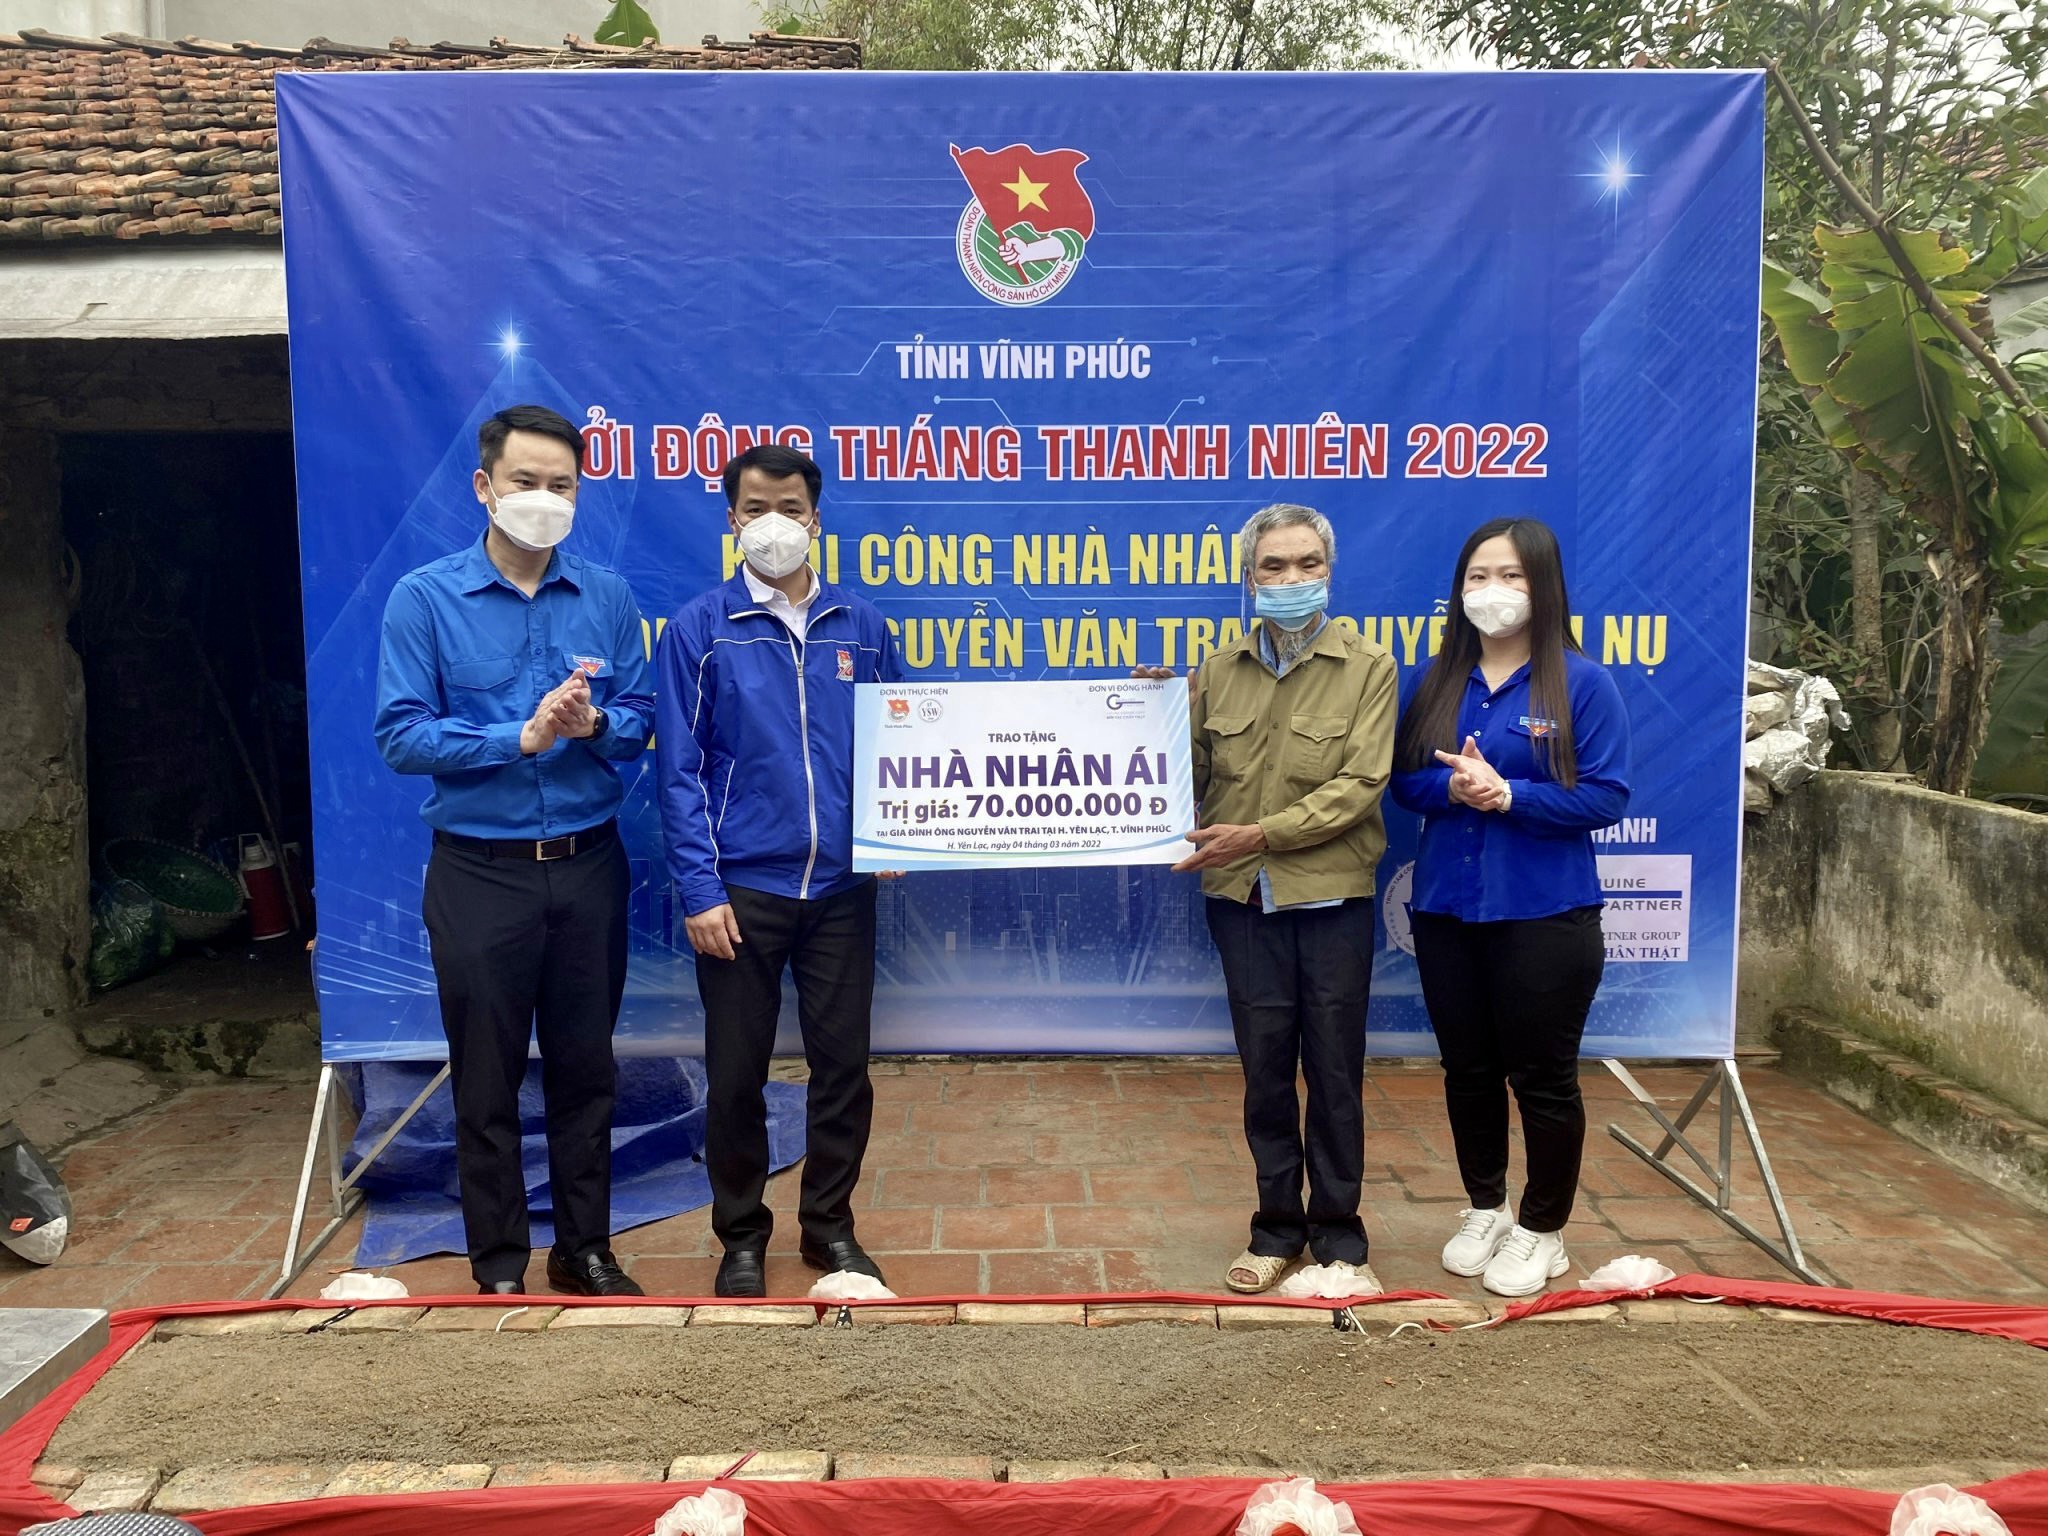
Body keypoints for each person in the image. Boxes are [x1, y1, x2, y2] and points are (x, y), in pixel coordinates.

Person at [375, 403, 655, 1297]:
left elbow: (641, 719)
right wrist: (518, 739)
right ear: (484, 486)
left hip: (588, 865)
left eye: (561, 485)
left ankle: (586, 1250)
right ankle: (498, 1265)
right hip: (479, 872)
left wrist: (596, 724)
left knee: (586, 1069)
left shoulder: (606, 596)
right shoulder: (425, 599)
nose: (544, 498)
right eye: (526, 481)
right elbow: (401, 736)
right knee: (487, 1078)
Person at [654, 443, 902, 1299]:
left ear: (815, 519)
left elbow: (901, 741)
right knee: (736, 1075)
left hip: (841, 891)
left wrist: (897, 838)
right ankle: (741, 1236)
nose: (774, 524)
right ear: (732, 520)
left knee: (844, 1070)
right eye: (756, 508)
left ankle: (830, 1228)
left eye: (790, 509)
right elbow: (679, 771)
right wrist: (700, 891)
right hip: (741, 894)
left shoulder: (862, 626)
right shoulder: (700, 630)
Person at [1157, 503, 1397, 1295]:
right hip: (1242, 902)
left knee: (1334, 1071)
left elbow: (1360, 785)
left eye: (1306, 564)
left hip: (1331, 901)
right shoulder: (1219, 671)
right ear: (1249, 577)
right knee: (1265, 1072)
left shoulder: (1369, 667)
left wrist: (1260, 834)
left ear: (1329, 570)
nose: (1292, 578)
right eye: (1274, 566)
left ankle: (1339, 1235)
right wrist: (1148, 719)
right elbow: (1185, 774)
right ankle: (1275, 1229)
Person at [1389, 516, 1630, 1297]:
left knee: (1543, 1077)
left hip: (1545, 914)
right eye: (1478, 577)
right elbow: (1404, 782)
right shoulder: (1434, 680)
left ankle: (1542, 1229)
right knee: (1468, 1069)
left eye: (1511, 576)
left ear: (1544, 587)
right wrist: (1453, 788)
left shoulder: (1581, 683)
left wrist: (1510, 795)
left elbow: (1606, 797)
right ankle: (1486, 1208)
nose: (1492, 591)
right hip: (1447, 911)